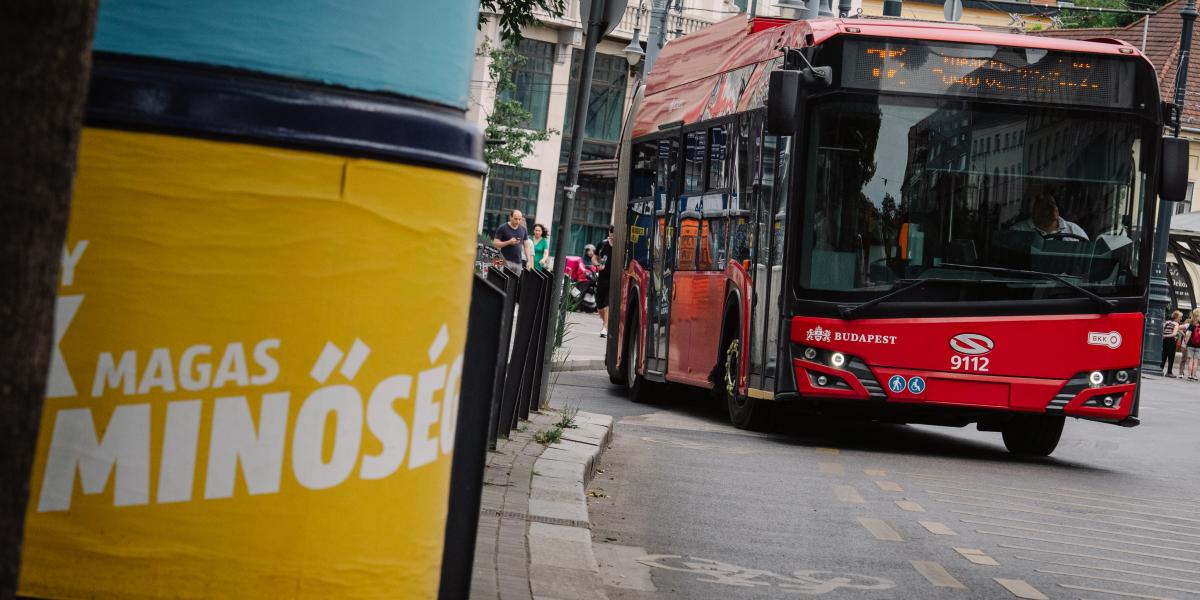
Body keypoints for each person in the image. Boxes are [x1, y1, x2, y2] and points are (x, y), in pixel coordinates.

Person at [1011, 191, 1089, 240]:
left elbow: (1088, 258)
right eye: (1046, 205)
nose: (1053, 207)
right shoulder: (1018, 231)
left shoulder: (1075, 231)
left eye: (1053, 203)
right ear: (1036, 210)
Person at [594, 225, 614, 337]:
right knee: (599, 305)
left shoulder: (621, 246)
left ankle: (605, 327)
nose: (613, 236)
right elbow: (594, 256)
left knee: (607, 303)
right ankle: (605, 322)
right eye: (612, 233)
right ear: (609, 233)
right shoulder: (602, 244)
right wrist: (597, 264)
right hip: (602, 278)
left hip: (614, 278)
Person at [1163, 310, 1184, 377]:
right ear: (1177, 317)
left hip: (1165, 341)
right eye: (1180, 317)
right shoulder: (1176, 324)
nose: (1181, 319)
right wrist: (1166, 336)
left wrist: (1164, 336)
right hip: (1171, 341)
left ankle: (1160, 369)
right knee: (1171, 357)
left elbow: (1165, 330)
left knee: (1164, 355)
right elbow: (1174, 334)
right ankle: (1169, 372)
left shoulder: (1168, 322)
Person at [1184, 309, 1200, 380]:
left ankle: (1189, 375)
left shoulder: (1192, 325)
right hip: (1199, 346)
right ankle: (1194, 376)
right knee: (1196, 361)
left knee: (1190, 360)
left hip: (1191, 345)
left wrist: (1185, 343)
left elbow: (1188, 335)